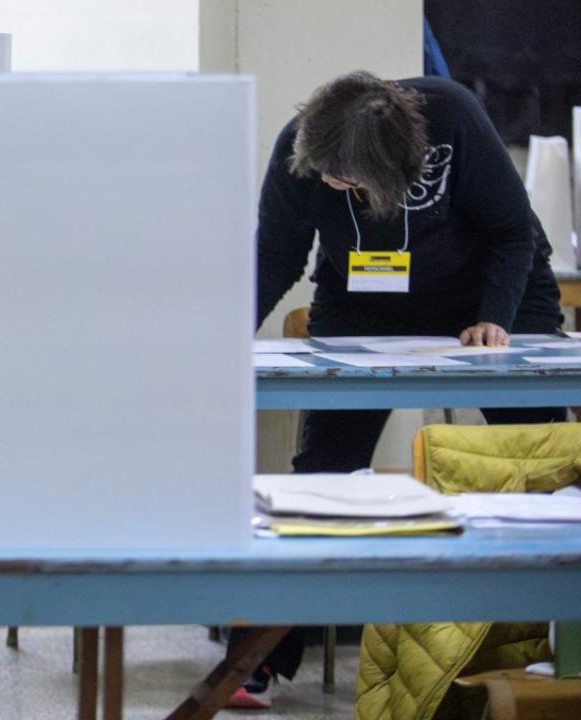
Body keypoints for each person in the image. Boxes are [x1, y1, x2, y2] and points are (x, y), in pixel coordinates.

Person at [235, 71, 566, 709]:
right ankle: (259, 658)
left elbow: (512, 232)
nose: (332, 185)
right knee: (323, 473)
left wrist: (494, 319)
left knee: (541, 455)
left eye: (346, 180)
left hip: (493, 288)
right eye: (326, 175)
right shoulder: (303, 147)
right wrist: (227, 341)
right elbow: (275, 255)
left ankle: (558, 640)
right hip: (364, 297)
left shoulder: (454, 118)